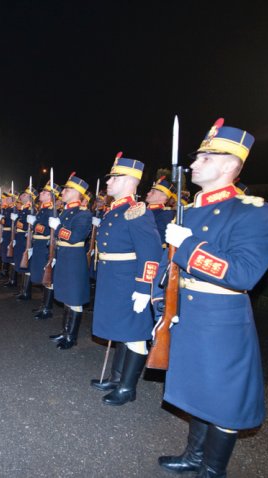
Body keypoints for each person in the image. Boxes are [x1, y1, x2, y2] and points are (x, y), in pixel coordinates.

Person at [154, 119, 268, 477]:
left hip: (220, 318)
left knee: (223, 398)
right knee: (196, 389)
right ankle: (194, 456)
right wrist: (160, 304)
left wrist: (188, 245)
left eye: (205, 158)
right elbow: (170, 269)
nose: (194, 164)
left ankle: (212, 469)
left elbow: (244, 273)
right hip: (186, 315)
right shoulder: (189, 211)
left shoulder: (254, 212)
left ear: (229, 165)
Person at [90, 154, 162, 405]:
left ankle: (127, 388)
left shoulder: (136, 211)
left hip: (129, 281)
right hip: (113, 279)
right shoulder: (116, 210)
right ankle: (116, 377)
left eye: (114, 178)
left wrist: (144, 287)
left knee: (134, 333)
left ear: (130, 180)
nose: (108, 182)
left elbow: (151, 253)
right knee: (121, 329)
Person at [47, 174, 93, 349]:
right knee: (66, 295)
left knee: (74, 298)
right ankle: (64, 332)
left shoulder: (83, 214)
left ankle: (71, 337)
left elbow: (75, 237)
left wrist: (57, 227)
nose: (63, 192)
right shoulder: (65, 211)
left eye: (67, 189)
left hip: (74, 258)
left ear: (77, 193)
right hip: (64, 256)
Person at [30, 182, 61, 319]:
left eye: (44, 192)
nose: (40, 193)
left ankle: (47, 308)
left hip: (45, 246)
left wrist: (34, 223)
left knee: (47, 277)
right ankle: (44, 305)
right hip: (38, 244)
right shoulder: (42, 209)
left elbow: (46, 230)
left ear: (51, 197)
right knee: (42, 276)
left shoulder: (51, 211)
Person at [14, 187, 37, 300]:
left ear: (29, 197)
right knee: (21, 264)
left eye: (23, 195)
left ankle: (26, 292)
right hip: (20, 238)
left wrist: (19, 224)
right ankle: (22, 290)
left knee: (26, 265)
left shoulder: (32, 210)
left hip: (26, 239)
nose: (21, 196)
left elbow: (30, 226)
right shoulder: (24, 209)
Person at [145, 176, 177, 245]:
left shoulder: (165, 214)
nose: (148, 193)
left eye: (153, 192)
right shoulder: (143, 210)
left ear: (163, 197)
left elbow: (158, 240)